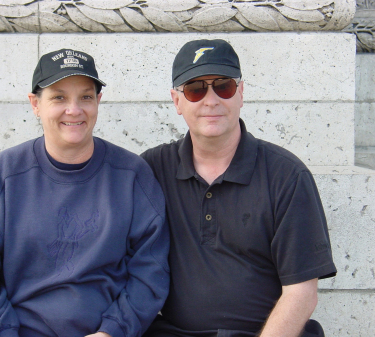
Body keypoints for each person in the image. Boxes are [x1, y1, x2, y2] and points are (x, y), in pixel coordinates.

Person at [0, 48, 170, 337]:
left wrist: (113, 331)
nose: (74, 109)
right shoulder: (5, 172)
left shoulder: (131, 174)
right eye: (59, 97)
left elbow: (151, 271)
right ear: (35, 104)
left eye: (86, 97)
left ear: (98, 102)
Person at [141, 39, 337, 337]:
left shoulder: (287, 175)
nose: (211, 100)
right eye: (195, 89)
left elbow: (302, 293)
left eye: (224, 86)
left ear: (241, 93)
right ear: (176, 100)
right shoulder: (152, 170)